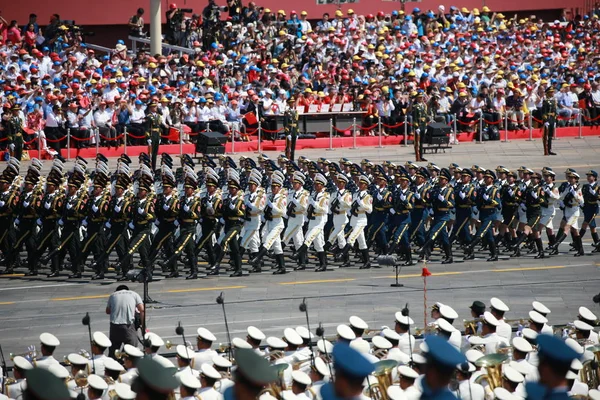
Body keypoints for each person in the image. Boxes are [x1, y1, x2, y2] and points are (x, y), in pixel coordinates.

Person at [106, 285, 144, 358]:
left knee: (113, 350)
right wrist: (143, 325)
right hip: (128, 326)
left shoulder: (113, 295)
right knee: (132, 347)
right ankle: (124, 360)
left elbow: (107, 311)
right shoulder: (134, 294)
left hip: (114, 326)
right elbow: (142, 309)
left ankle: (113, 364)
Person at [541, 87, 558, 156]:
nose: (552, 93)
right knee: (546, 136)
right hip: (547, 119)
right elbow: (543, 112)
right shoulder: (545, 101)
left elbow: (555, 111)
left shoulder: (554, 101)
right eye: (551, 92)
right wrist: (545, 120)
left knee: (550, 135)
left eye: (552, 92)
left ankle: (550, 150)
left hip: (552, 119)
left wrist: (555, 120)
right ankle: (546, 150)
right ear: (548, 93)